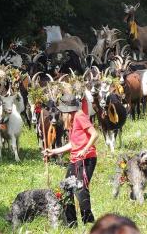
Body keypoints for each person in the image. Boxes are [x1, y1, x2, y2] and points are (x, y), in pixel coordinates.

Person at [43, 94, 99, 227]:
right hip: (75, 159)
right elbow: (73, 144)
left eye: (62, 111)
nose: (61, 113)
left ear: (67, 109)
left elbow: (95, 134)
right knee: (66, 189)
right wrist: (54, 151)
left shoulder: (79, 116)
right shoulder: (71, 120)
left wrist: (85, 149)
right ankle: (71, 223)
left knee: (80, 189)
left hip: (87, 158)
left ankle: (88, 222)